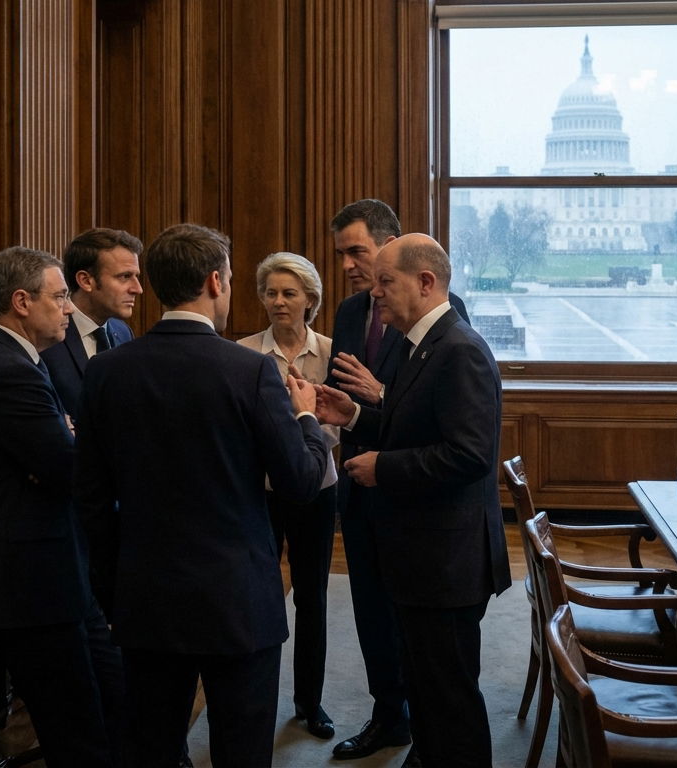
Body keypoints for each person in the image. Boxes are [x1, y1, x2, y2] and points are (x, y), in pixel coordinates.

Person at [75, 223, 330, 768]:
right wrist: (307, 417)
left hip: (145, 599)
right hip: (238, 601)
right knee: (241, 750)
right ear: (216, 282)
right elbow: (301, 483)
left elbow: (91, 501)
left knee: (154, 750)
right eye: (234, 279)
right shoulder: (251, 371)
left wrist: (115, 586)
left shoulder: (106, 373)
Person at [316, 234, 511, 767]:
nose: (374, 293)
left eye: (386, 281)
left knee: (450, 701)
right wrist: (354, 417)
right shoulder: (418, 343)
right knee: (427, 692)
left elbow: (469, 457)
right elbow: (410, 424)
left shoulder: (460, 350)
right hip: (421, 555)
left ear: (426, 283)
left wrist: (384, 466)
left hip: (447, 564)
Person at [0, 246, 121, 768]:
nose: (68, 307)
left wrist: (67, 444)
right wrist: (68, 447)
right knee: (77, 732)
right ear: (21, 301)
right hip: (22, 585)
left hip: (54, 569)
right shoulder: (5, 369)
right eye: (60, 296)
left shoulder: (15, 359)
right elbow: (70, 468)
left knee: (111, 698)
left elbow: (62, 460)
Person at [238, 252, 340, 741]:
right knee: (259, 594)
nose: (278, 302)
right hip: (261, 491)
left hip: (318, 489)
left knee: (313, 598)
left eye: (289, 293)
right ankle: (256, 698)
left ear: (310, 300)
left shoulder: (332, 354)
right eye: (271, 292)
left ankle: (309, 701)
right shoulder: (243, 354)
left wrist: (304, 430)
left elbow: (340, 425)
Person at [41, 227, 143, 422]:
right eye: (124, 277)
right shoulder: (47, 335)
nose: (137, 289)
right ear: (86, 280)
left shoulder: (123, 332)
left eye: (136, 276)